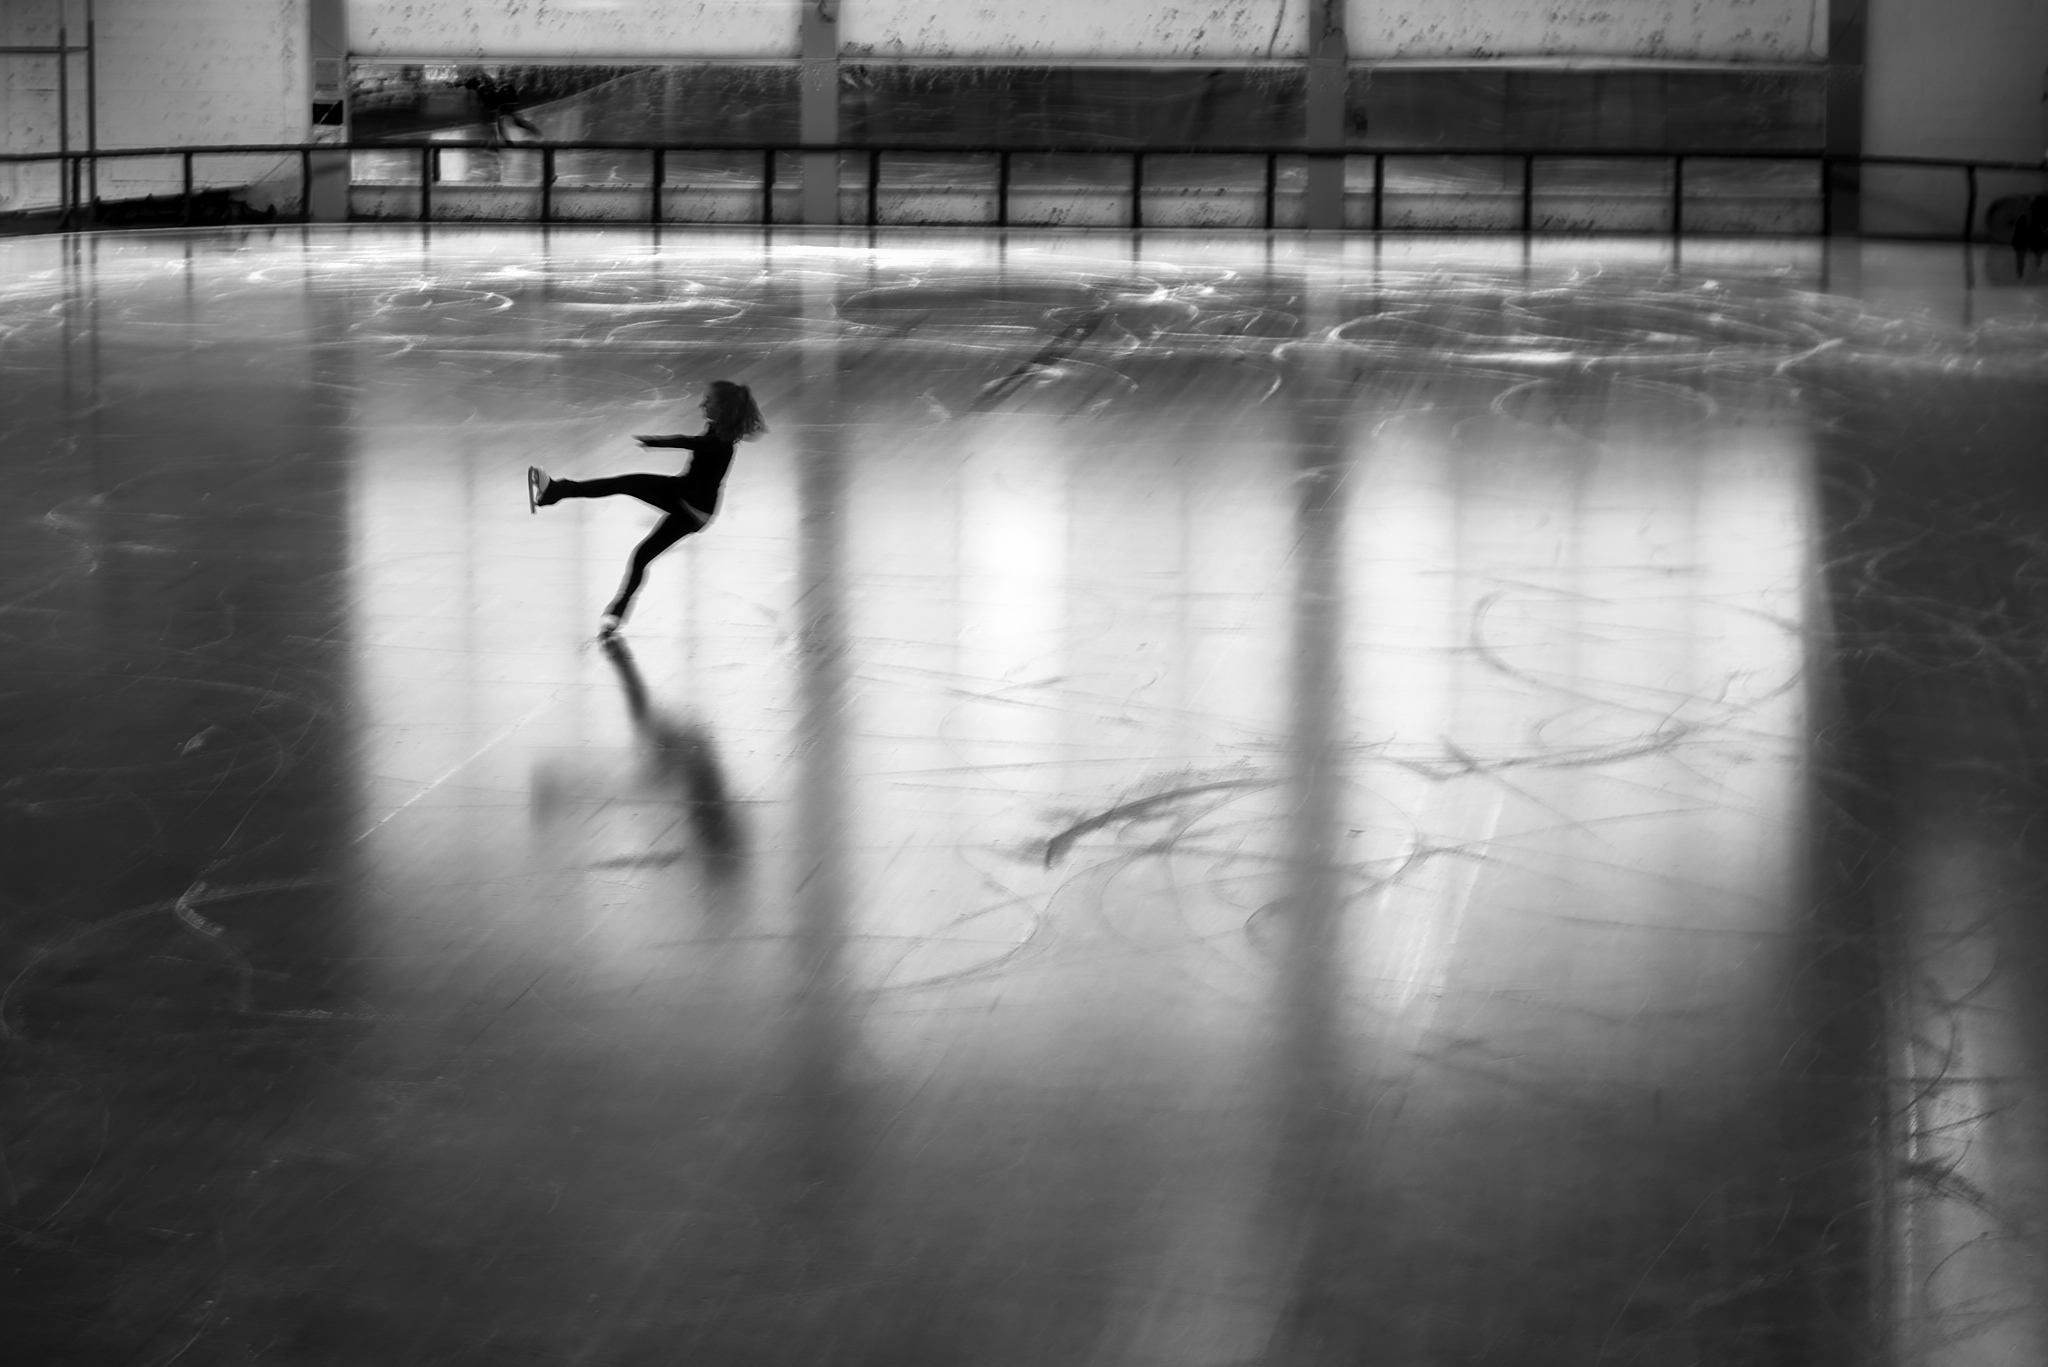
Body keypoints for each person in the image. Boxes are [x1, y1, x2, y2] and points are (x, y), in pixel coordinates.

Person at [528, 381, 767, 635]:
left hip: (691, 509)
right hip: (683, 495)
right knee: (639, 544)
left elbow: (692, 443)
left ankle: (556, 491)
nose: (702, 404)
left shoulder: (722, 442)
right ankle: (617, 612)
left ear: (723, 407)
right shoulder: (717, 432)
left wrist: (657, 442)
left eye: (708, 401)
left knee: (629, 495)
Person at [462, 73, 541, 146]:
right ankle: (533, 132)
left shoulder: (481, 90)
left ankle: (508, 142)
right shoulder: (483, 87)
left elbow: (491, 105)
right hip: (505, 101)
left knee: (503, 124)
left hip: (503, 103)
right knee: (514, 122)